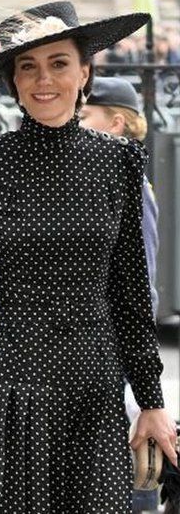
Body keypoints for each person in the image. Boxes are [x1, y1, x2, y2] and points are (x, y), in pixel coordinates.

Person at [0, 1, 176, 512]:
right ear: (13, 81)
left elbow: (129, 290)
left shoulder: (117, 161)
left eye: (59, 63)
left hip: (96, 390)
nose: (44, 80)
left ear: (85, 72)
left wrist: (151, 401)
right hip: (15, 389)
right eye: (28, 66)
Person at [80, 76, 161, 513]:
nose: (75, 122)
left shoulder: (129, 185)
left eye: (85, 115)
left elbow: (139, 282)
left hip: (111, 350)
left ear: (115, 123)